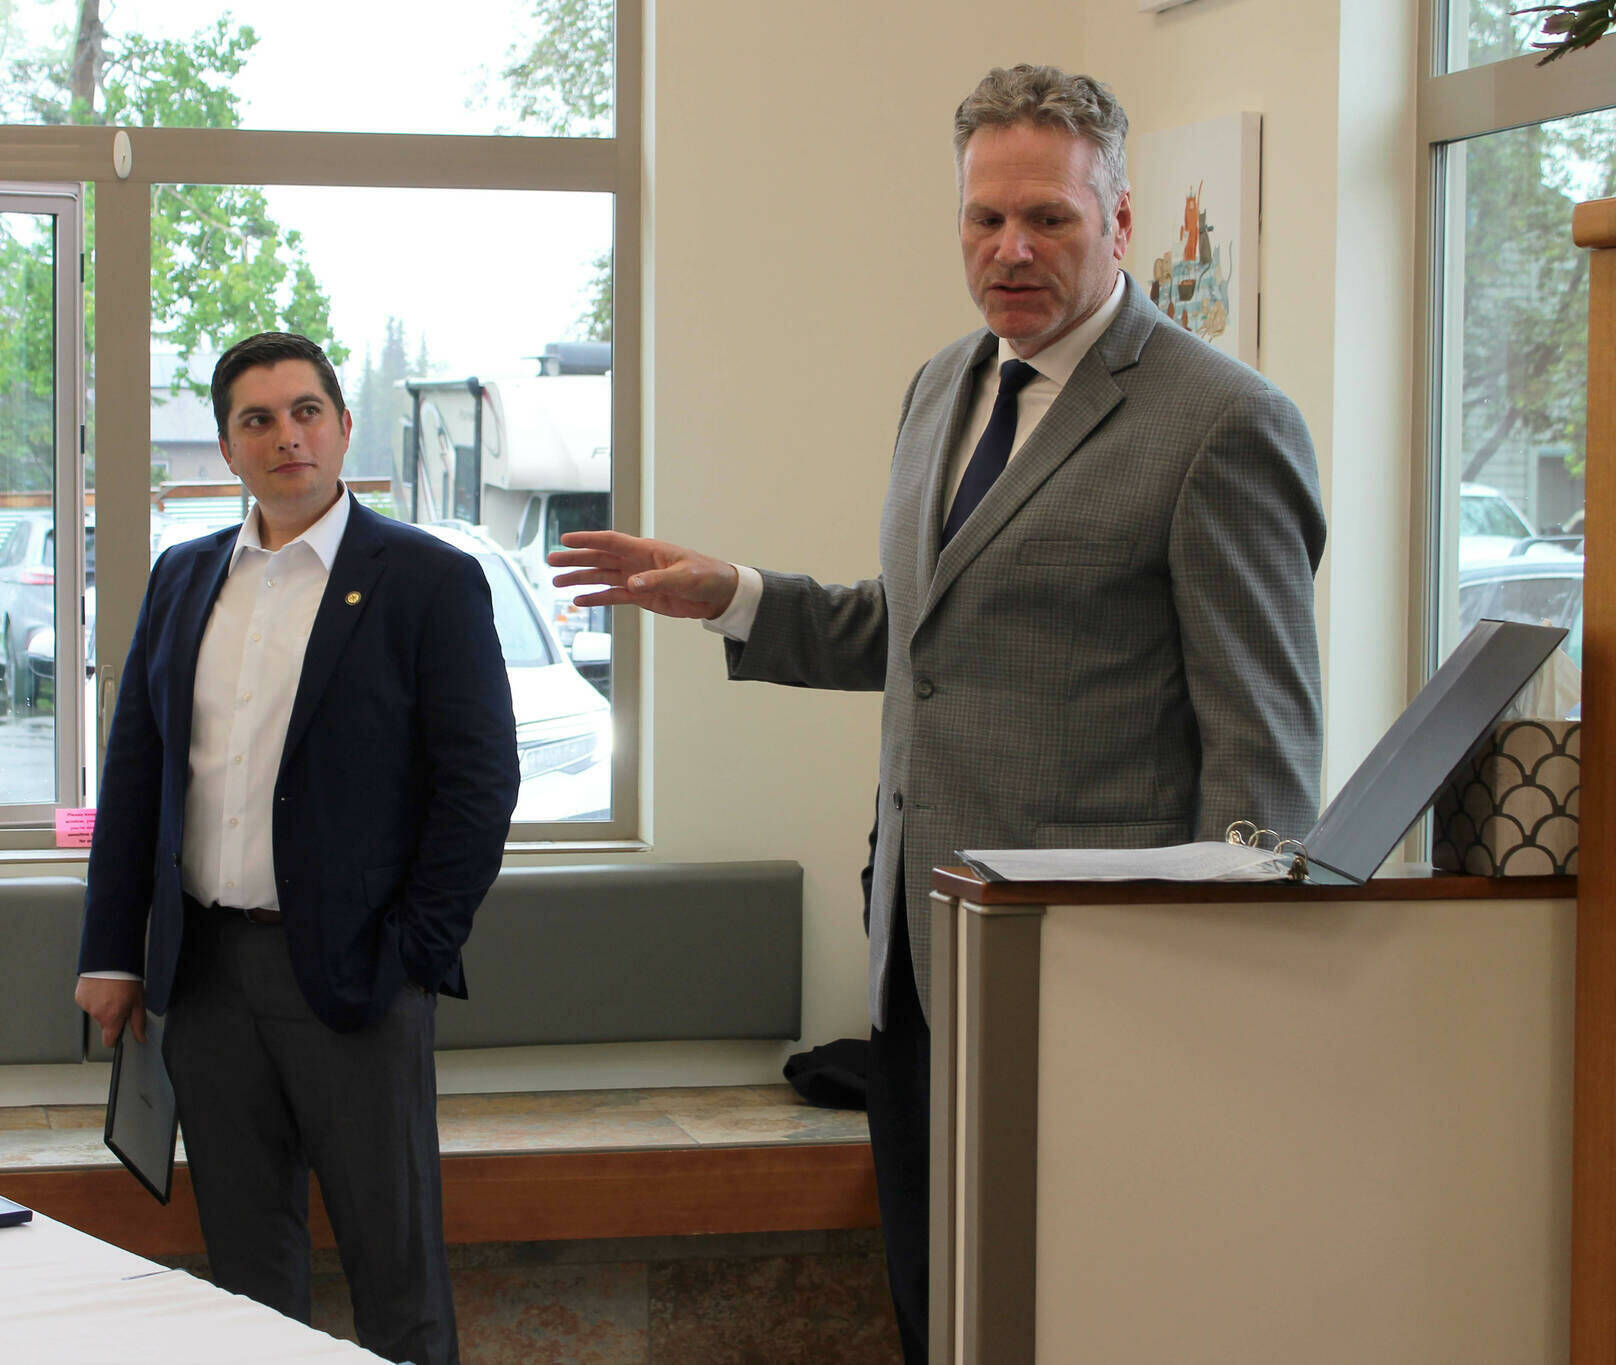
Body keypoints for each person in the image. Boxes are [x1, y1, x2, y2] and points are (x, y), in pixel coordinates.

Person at [550, 65, 1324, 1363]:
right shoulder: (945, 386)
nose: (1009, 249)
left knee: (1077, 1315)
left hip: (1102, 984)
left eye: (1050, 219)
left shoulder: (1220, 424)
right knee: (936, 1304)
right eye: (983, 218)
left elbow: (1264, 759)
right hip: (918, 948)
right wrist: (732, 596)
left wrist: (1224, 999)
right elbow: (927, 638)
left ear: (1121, 223)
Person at [76, 332, 520, 1365]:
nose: (287, 436)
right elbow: (136, 776)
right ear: (227, 449)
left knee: (394, 1272)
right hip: (206, 979)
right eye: (257, 420)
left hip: (356, 975)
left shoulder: (424, 581)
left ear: (342, 426)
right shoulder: (185, 579)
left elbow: (478, 786)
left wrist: (414, 952)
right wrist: (113, 952)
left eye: (305, 411)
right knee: (245, 1274)